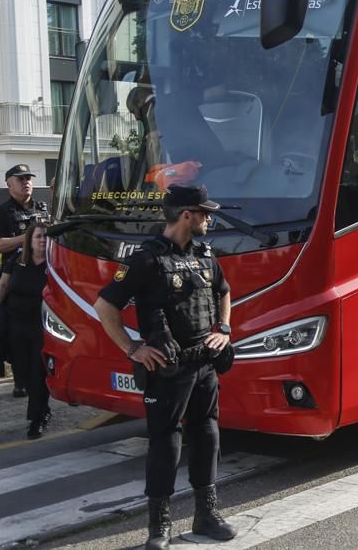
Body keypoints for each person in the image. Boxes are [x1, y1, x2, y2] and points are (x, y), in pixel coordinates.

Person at [93, 184, 237, 549]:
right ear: (186, 215)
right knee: (165, 443)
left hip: (204, 364)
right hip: (168, 370)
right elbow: (105, 305)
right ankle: (159, 527)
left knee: (207, 435)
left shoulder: (205, 253)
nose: (209, 218)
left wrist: (223, 329)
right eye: (204, 212)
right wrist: (133, 349)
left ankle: (206, 515)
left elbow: (224, 290)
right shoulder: (145, 259)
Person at [0, 163, 48, 398]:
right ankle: (20, 380)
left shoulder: (43, 208)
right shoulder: (1, 212)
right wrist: (27, 238)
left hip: (44, 278)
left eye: (28, 178)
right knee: (19, 337)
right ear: (8, 183)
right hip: (16, 279)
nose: (26, 182)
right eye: (20, 179)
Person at [0, 223, 51, 438]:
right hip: (16, 324)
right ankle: (41, 409)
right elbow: (2, 286)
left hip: (41, 326)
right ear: (30, 240)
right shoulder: (17, 260)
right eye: (38, 237)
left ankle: (37, 418)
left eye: (45, 237)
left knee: (38, 372)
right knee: (23, 374)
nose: (42, 241)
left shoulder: (55, 264)